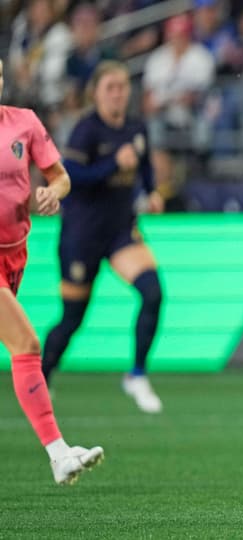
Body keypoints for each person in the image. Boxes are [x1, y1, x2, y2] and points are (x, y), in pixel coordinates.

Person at [0, 58, 104, 484]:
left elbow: (60, 177)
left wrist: (51, 193)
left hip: (14, 255)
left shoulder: (23, 123)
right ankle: (58, 453)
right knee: (26, 345)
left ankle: (58, 451)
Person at [40, 61, 166, 414]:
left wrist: (152, 192)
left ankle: (137, 374)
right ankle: (42, 376)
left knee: (153, 293)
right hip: (83, 235)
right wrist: (113, 164)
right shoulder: (85, 131)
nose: (118, 93)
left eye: (123, 86)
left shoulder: (137, 128)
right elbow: (73, 177)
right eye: (110, 87)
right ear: (95, 92)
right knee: (73, 319)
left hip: (121, 232)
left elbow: (144, 168)